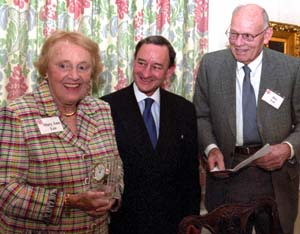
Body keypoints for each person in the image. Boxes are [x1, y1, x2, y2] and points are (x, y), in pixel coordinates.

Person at [0, 30, 123, 233]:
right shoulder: (17, 114)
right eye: (63, 66)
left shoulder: (101, 110)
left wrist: (112, 196)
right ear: (46, 70)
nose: (74, 76)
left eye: (82, 67)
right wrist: (69, 201)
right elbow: (5, 191)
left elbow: (116, 167)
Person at [194, 3, 300, 234]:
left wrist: (288, 148)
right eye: (233, 34)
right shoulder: (211, 66)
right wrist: (211, 148)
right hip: (228, 175)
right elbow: (201, 116)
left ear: (266, 35)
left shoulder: (292, 69)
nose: (238, 43)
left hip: (275, 179)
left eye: (248, 36)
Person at [101, 35, 201, 234]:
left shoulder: (184, 110)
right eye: (141, 63)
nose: (146, 73)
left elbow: (190, 174)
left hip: (172, 224)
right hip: (122, 224)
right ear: (133, 61)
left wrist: (193, 220)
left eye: (156, 66)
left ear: (169, 71)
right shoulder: (105, 108)